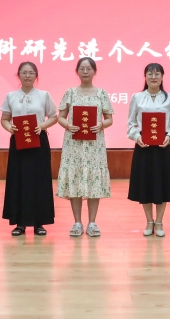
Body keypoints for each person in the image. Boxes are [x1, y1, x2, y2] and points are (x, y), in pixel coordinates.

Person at [57, 57, 114, 237]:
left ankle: (92, 223)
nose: (85, 71)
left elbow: (109, 119)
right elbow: (60, 117)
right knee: (75, 179)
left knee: (93, 181)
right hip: (73, 144)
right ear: (77, 71)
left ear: (94, 71)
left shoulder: (101, 93)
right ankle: (77, 223)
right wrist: (68, 125)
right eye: (82, 68)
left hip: (94, 144)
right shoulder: (70, 93)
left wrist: (101, 125)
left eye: (89, 68)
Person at [0, 61, 57, 236]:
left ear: (36, 76)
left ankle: (39, 222)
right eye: (24, 72)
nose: (27, 75)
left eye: (31, 72)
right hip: (18, 142)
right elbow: (4, 119)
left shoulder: (44, 95)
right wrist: (9, 128)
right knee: (18, 180)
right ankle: (20, 223)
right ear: (18, 75)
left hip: (38, 141)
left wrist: (42, 126)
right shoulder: (11, 96)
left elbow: (53, 117)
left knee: (40, 180)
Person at [127, 63, 170, 237]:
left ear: (162, 76)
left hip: (163, 146)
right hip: (143, 147)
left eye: (157, 73)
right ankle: (149, 221)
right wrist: (137, 137)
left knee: (162, 184)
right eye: (150, 73)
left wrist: (169, 137)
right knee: (145, 184)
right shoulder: (137, 97)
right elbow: (131, 123)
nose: (153, 77)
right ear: (145, 76)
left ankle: (159, 221)